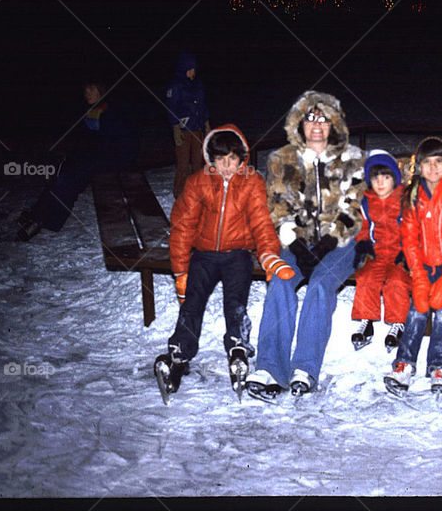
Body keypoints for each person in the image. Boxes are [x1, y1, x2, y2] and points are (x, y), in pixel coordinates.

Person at [154, 125, 295, 397]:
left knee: (235, 300)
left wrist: (269, 256)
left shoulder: (251, 181)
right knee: (193, 300)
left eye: (232, 159)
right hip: (204, 254)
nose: (226, 166)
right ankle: (179, 354)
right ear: (210, 159)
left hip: (237, 253)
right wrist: (181, 270)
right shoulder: (199, 182)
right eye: (220, 160)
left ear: (242, 158)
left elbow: (262, 222)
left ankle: (237, 347)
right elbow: (183, 226)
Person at [247, 91, 365, 397]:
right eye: (310, 118)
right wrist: (298, 247)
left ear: (333, 124)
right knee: (281, 281)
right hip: (297, 242)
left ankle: (305, 367)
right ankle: (270, 367)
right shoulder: (281, 160)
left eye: (324, 119)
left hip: (340, 243)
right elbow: (280, 210)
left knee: (320, 286)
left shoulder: (351, 158)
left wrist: (326, 244)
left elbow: (352, 210)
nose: (317, 125)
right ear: (299, 123)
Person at [385, 137, 442, 395]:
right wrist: (418, 275)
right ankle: (404, 363)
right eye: (427, 162)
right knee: (418, 309)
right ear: (419, 167)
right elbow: (409, 239)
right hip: (423, 265)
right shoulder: (413, 196)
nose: (433, 168)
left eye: (438, 162)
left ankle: (439, 364)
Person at [17, 81, 137, 241]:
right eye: (85, 89)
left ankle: (47, 221)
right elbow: (86, 139)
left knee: (71, 177)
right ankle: (37, 213)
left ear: (102, 90)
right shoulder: (92, 110)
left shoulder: (111, 108)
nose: (87, 93)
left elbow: (114, 142)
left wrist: (88, 156)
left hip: (115, 159)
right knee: (63, 169)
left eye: (91, 89)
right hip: (99, 156)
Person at [350, 149, 411, 352]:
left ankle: (397, 323)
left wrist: (409, 251)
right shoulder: (367, 203)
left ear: (395, 179)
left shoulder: (404, 201)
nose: (381, 183)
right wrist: (363, 243)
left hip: (399, 254)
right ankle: (366, 321)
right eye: (375, 178)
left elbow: (412, 227)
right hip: (377, 252)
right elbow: (364, 227)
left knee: (396, 282)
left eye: (386, 177)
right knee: (366, 277)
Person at [166, 52, 210, 197]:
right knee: (183, 164)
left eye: (194, 69)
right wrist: (175, 128)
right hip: (183, 131)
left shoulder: (198, 85)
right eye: (190, 69)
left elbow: (202, 106)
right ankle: (179, 194)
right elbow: (171, 107)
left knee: (198, 163)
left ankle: (197, 193)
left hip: (197, 128)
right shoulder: (176, 86)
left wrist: (206, 124)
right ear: (183, 69)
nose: (193, 72)